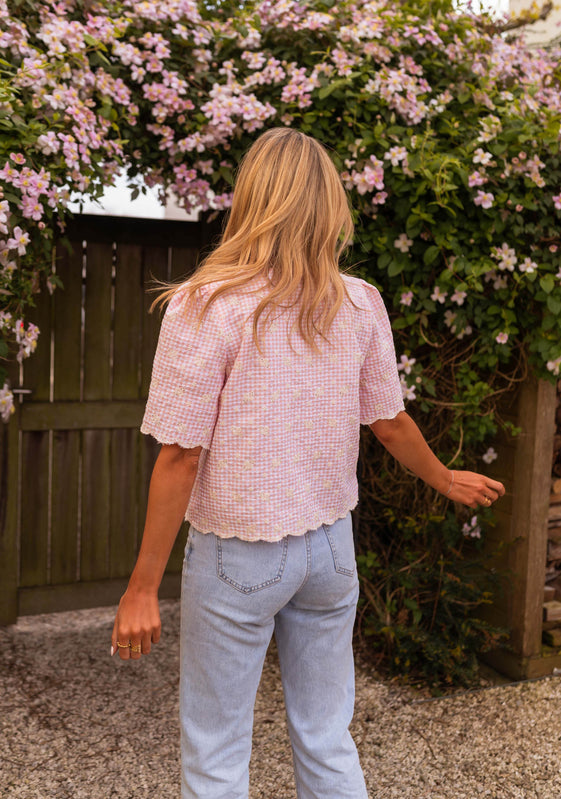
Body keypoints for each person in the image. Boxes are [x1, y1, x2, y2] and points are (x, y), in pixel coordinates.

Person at [111, 127, 505, 798]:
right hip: (328, 552)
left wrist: (142, 585)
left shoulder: (205, 305)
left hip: (238, 552)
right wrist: (441, 476)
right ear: (328, 205)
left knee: (216, 752)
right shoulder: (357, 303)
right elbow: (388, 422)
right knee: (326, 735)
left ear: (252, 199)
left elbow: (179, 454)